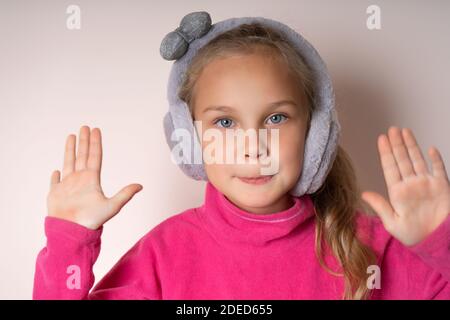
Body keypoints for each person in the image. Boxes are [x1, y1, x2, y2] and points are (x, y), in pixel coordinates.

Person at [33, 11, 450, 300]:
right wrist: (69, 241)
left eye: (275, 117)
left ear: (315, 133)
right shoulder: (164, 254)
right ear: (190, 139)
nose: (253, 145)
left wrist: (441, 243)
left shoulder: (370, 249)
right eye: (225, 123)